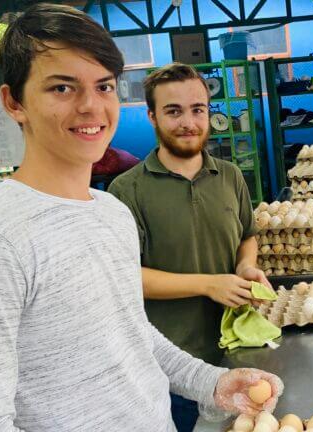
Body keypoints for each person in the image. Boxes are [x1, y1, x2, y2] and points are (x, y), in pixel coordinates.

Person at [0, 4, 282, 431]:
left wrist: (212, 382)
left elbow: (133, 335)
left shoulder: (112, 214)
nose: (91, 107)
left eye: (104, 86)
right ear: (13, 102)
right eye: (62, 88)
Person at [108, 63, 270, 429]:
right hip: (170, 363)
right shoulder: (127, 190)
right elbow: (125, 278)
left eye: (198, 110)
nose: (188, 122)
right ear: (151, 116)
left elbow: (247, 235)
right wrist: (209, 284)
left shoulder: (229, 176)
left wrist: (245, 267)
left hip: (235, 350)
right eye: (173, 111)